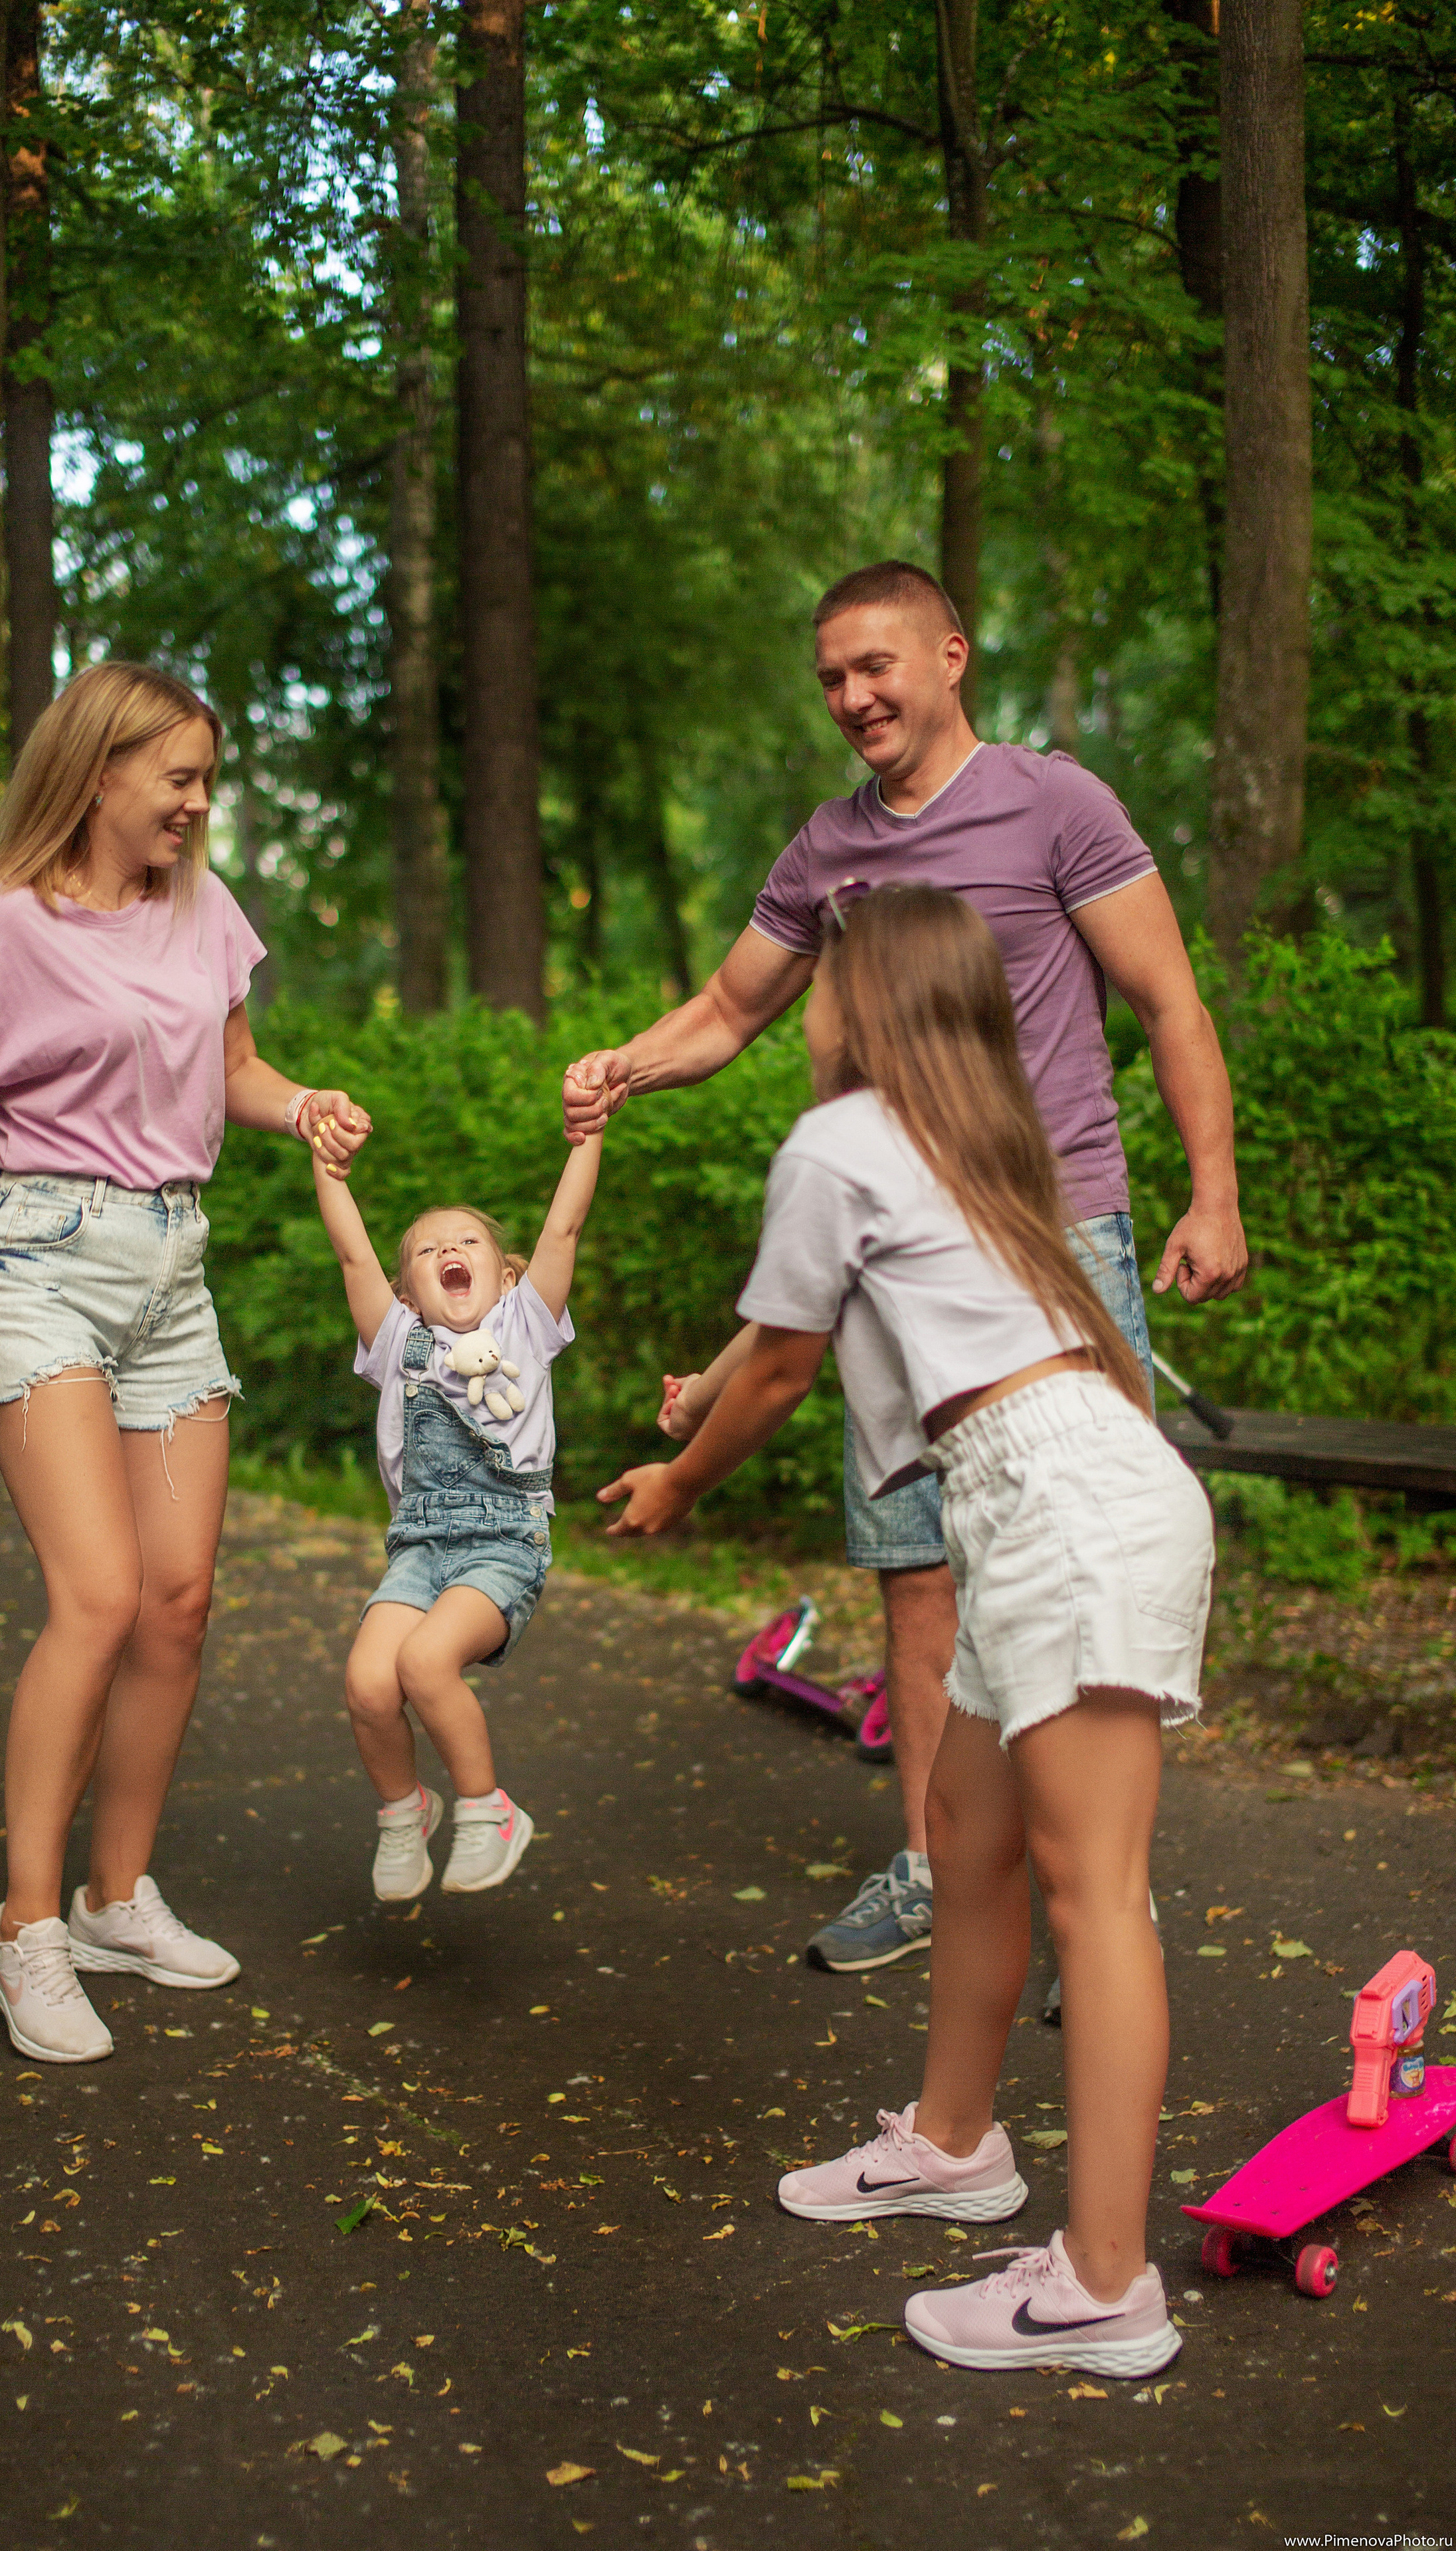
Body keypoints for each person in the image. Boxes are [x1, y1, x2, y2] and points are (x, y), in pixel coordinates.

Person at [565, 557, 1244, 1974]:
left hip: (1051, 1231)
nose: (852, 697)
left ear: (947, 657)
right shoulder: (826, 848)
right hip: (886, 1256)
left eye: (874, 666)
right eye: (829, 678)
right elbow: (726, 1007)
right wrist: (623, 1069)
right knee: (915, 1574)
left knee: (1064, 1567)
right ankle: (935, 1871)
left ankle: (1093, 1892)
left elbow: (1167, 999)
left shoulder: (1056, 802)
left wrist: (1210, 1193)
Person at [600, 883, 1210, 2378]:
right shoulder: (966, 1146)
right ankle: (952, 2146)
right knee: (964, 1828)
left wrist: (682, 1476)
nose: (802, 996)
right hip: (1037, 1501)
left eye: (821, 977)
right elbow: (792, 1319)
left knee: (1095, 1893)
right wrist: (714, 1377)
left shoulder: (838, 1139)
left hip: (1062, 1506)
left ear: (857, 1002)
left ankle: (1106, 2288)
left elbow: (785, 1374)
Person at [0, 660, 369, 2063]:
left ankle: (112, 1899)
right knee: (93, 1598)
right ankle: (21, 1930)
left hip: (170, 1267)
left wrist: (305, 1108)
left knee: (176, 1603)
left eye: (206, 777)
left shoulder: (201, 908)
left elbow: (234, 1076)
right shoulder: (0, 930)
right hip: (35, 1264)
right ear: (98, 773)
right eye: (179, 776)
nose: (198, 801)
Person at [312, 1114, 603, 1900]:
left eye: (467, 1243)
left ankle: (487, 1809)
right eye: (428, 1249)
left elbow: (565, 1226)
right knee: (369, 1682)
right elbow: (350, 1252)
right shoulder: (395, 1337)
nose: (448, 1252)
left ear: (505, 1274)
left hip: (504, 1541)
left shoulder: (524, 1321)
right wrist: (326, 1166)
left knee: (423, 1661)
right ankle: (404, 1813)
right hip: (420, 1546)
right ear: (407, 1289)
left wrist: (588, 1135)